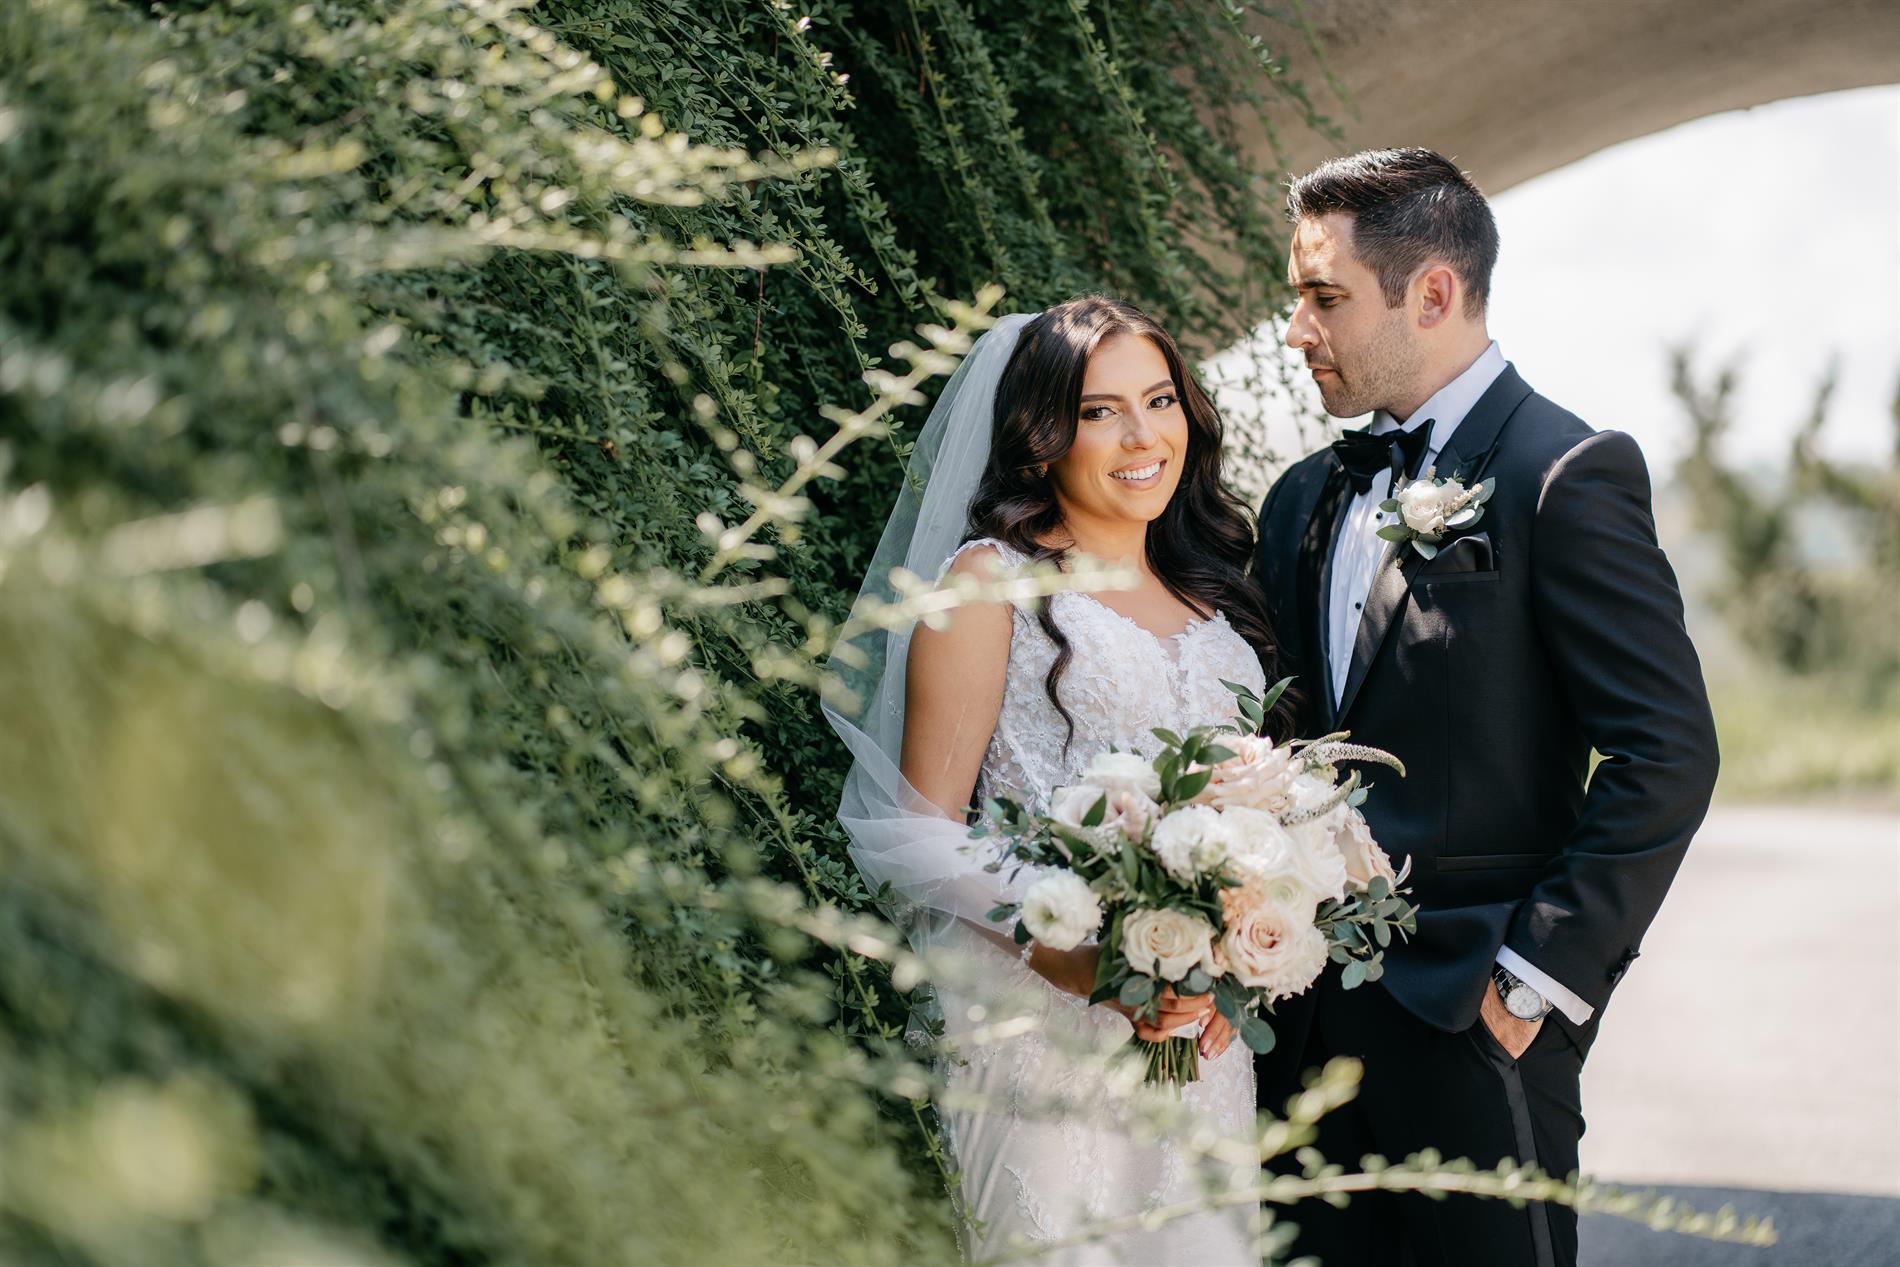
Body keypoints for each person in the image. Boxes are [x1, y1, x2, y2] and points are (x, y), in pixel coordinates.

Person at [1250, 146, 1720, 1267]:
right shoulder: (1300, 498)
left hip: (1476, 1021)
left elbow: (1666, 752)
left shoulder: (1565, 472)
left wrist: (1532, 984)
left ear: (1432, 293)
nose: (1296, 331)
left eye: (1323, 298)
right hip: (1296, 1025)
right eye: (1295, 299)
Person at [824, 296, 1296, 1264]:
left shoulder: (1215, 600)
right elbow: (917, 832)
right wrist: (1076, 953)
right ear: (1041, 438)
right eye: (1099, 411)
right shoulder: (988, 582)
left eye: (1159, 400)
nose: (1143, 436)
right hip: (1037, 1027)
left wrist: (1235, 951)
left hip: (1192, 1043)